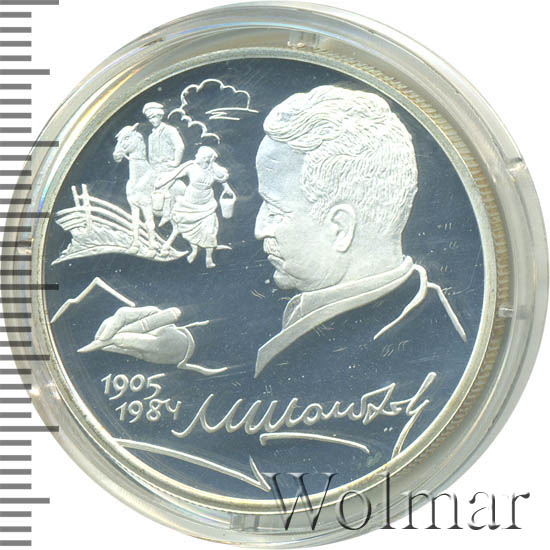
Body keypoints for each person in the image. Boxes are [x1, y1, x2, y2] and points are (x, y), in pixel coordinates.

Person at [159, 146, 233, 268]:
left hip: (207, 203)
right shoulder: (191, 167)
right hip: (190, 203)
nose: (195, 156)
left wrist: (227, 188)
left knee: (209, 231)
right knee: (190, 229)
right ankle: (194, 251)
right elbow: (175, 175)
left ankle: (208, 258)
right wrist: (163, 184)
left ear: (205, 159)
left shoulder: (213, 170)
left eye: (198, 154)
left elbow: (222, 179)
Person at [143, 102, 185, 224]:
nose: (152, 120)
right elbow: (150, 154)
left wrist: (175, 162)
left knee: (163, 187)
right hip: (154, 168)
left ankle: (167, 214)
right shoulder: (151, 135)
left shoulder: (170, 130)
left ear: (160, 116)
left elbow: (180, 146)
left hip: (167, 168)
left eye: (154, 117)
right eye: (149, 118)